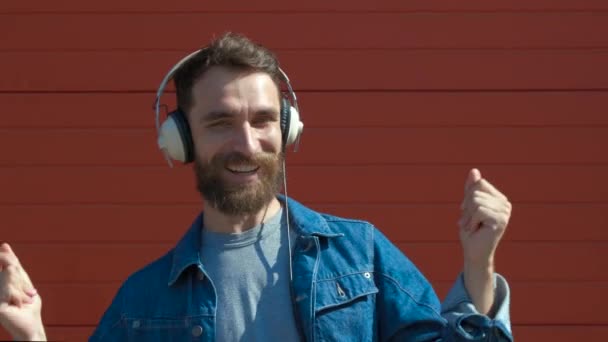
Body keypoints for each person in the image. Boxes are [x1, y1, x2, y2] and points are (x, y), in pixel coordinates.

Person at [0, 33, 513, 341]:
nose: (248, 142)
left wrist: (478, 267)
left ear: (287, 129)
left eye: (264, 120)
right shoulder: (144, 301)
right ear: (181, 141)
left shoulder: (360, 255)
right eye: (221, 122)